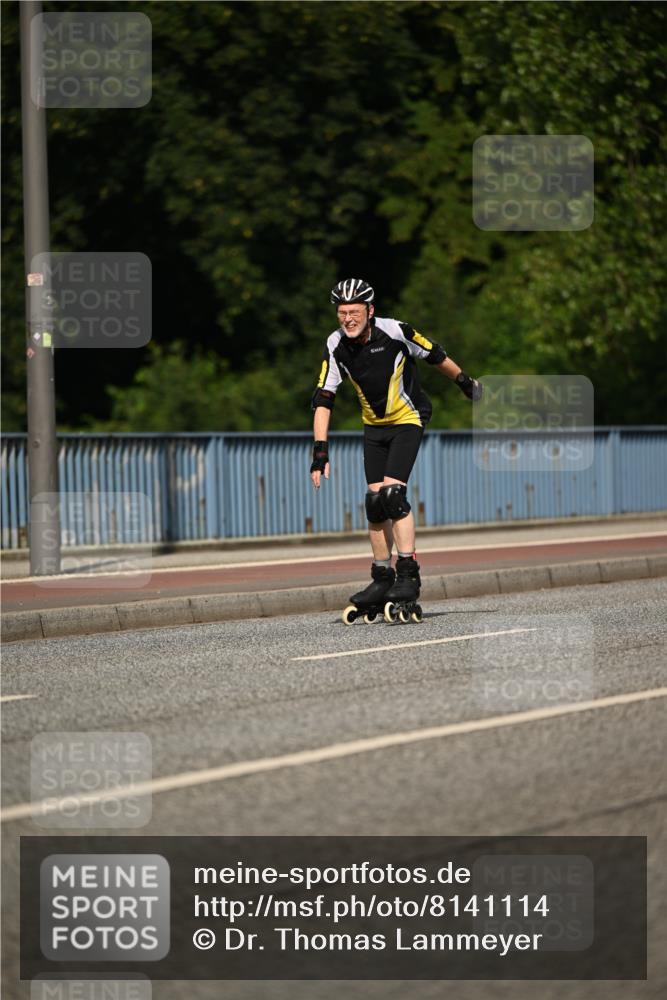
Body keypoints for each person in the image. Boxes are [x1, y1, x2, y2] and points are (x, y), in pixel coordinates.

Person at [310, 278, 482, 621]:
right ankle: (382, 577)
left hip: (408, 417)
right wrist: (320, 452)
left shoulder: (395, 331)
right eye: (342, 313)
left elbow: (435, 354)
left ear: (370, 310)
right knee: (375, 502)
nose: (347, 319)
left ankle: (408, 574)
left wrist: (464, 382)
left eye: (354, 312)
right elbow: (324, 398)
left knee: (392, 495)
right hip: (374, 427)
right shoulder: (335, 343)